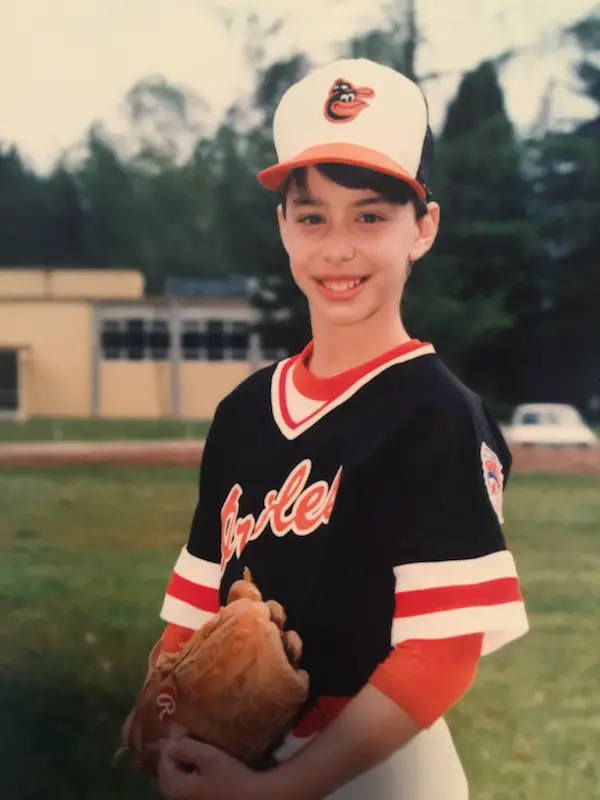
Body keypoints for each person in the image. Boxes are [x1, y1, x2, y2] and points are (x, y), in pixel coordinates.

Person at [153, 58, 529, 799]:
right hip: (243, 758)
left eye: (371, 215)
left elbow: (441, 652)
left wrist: (275, 792)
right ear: (283, 227)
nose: (338, 248)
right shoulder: (243, 412)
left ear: (423, 228)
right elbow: (193, 612)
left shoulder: (437, 414)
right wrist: (170, 725)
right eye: (312, 215)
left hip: (379, 770)